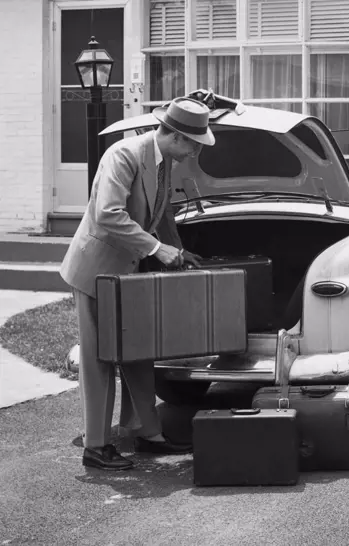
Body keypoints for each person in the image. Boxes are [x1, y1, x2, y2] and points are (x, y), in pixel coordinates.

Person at [60, 97, 214, 471]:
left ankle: (148, 433)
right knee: (99, 359)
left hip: (130, 272)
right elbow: (108, 214)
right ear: (176, 136)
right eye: (195, 144)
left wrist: (178, 252)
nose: (196, 151)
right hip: (97, 271)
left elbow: (160, 214)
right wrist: (158, 250)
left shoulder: (162, 161)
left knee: (140, 352)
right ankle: (96, 446)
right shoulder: (124, 155)